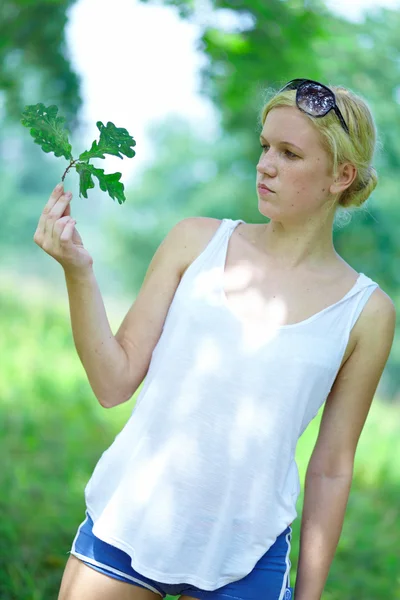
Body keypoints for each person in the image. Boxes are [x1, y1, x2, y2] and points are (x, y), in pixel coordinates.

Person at [34, 79, 396, 600]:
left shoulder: (366, 312)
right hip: (132, 517)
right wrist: (79, 272)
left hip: (248, 554)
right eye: (265, 146)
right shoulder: (194, 241)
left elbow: (332, 468)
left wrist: (310, 594)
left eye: (290, 153)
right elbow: (113, 383)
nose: (266, 164)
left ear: (342, 175)